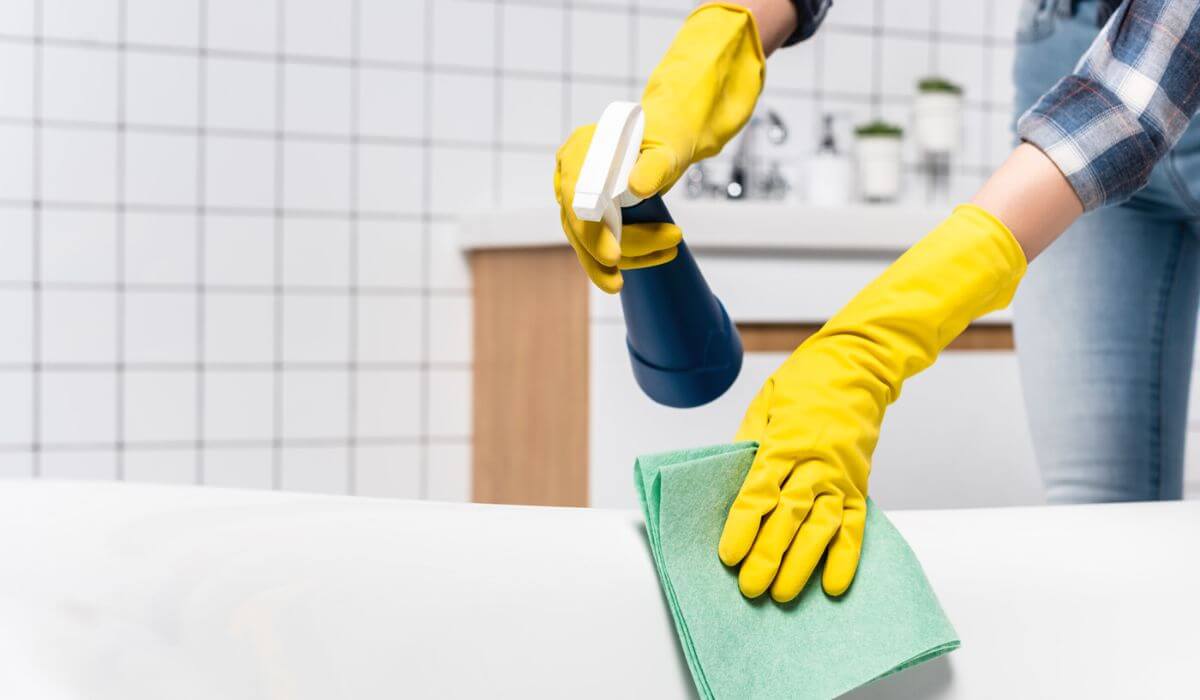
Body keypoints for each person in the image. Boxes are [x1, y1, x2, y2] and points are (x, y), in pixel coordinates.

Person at [554, 0, 1200, 603]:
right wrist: (720, 44)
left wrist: (867, 349)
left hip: (1133, 84)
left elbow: (1133, 99)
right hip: (1075, 55)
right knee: (1100, 516)